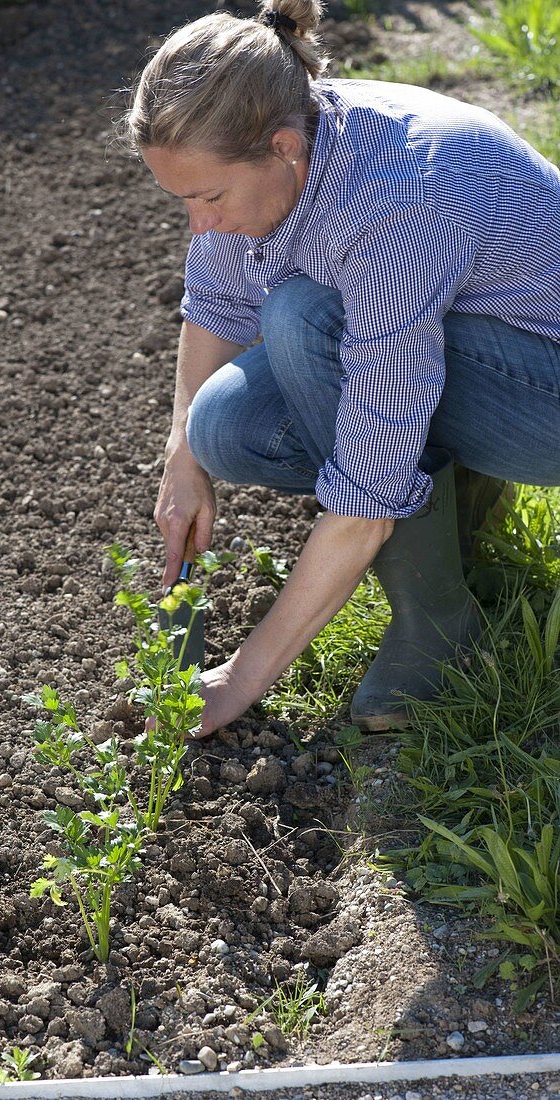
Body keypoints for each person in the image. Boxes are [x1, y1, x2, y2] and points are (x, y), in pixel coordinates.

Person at [119, 0, 560, 737]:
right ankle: (465, 506)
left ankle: (439, 630)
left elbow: (363, 499)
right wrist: (182, 459)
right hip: (491, 351)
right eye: (184, 200)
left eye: (209, 196)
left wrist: (239, 679)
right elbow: (219, 300)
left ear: (284, 147)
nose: (199, 223)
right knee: (223, 426)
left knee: (306, 322)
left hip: (546, 394)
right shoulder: (277, 149)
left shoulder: (397, 200)